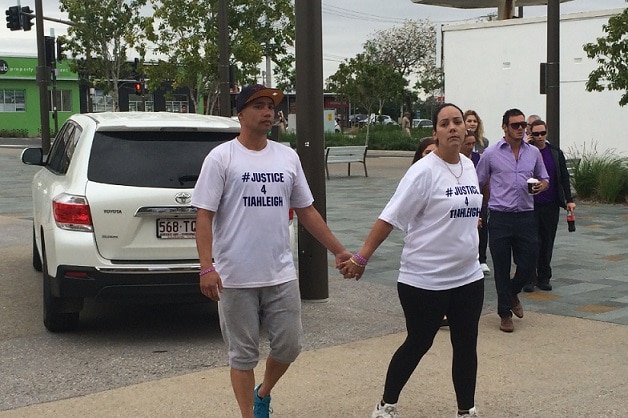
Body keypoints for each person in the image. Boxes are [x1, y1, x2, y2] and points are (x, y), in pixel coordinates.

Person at [192, 84, 352, 418]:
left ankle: (263, 392)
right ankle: (249, 414)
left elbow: (306, 210)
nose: (268, 112)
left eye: (271, 106)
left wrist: (337, 250)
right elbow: (204, 215)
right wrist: (206, 267)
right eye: (259, 106)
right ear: (241, 114)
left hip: (280, 274)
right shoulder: (222, 158)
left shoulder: (286, 156)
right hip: (235, 277)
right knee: (242, 355)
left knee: (289, 345)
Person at [341, 103, 485, 418]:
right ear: (435, 132)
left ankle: (466, 410)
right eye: (445, 123)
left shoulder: (470, 165)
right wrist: (361, 257)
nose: (453, 128)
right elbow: (389, 218)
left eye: (457, 122)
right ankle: (386, 404)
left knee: (466, 345)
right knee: (419, 342)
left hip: (468, 277)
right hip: (424, 279)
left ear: (466, 129)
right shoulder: (423, 172)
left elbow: (464, 207)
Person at [476, 108, 550, 333]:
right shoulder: (490, 153)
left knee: (528, 264)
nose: (521, 129)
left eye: (523, 125)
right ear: (505, 127)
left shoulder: (533, 153)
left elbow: (545, 177)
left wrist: (541, 185)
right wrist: (477, 211)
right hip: (500, 216)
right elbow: (478, 182)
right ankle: (504, 313)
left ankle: (511, 293)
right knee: (501, 266)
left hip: (526, 215)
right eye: (515, 125)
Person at [522, 119, 576, 292]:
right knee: (531, 243)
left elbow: (564, 177)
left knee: (547, 242)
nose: (539, 137)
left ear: (547, 133)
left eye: (542, 133)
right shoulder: (525, 152)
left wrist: (569, 199)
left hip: (550, 204)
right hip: (530, 205)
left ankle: (544, 276)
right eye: (535, 134)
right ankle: (529, 278)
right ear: (530, 133)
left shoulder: (554, 152)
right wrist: (525, 145)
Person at [464, 111, 490, 275]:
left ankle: (482, 258)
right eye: (469, 121)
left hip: (478, 194)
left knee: (482, 224)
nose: (472, 123)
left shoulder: (483, 145)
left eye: (475, 121)